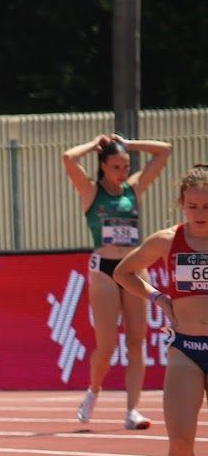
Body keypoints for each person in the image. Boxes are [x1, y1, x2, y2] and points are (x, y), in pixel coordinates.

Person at [113, 165, 208, 456]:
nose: (200, 212)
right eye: (192, 205)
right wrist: (157, 298)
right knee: (181, 441)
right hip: (186, 349)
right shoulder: (168, 241)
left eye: (206, 205)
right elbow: (123, 272)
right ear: (181, 204)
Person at [63, 133, 173, 428]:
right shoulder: (90, 191)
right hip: (104, 271)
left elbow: (165, 152)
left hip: (134, 268)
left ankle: (132, 411)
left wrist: (129, 144)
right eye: (116, 167)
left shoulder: (133, 188)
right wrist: (95, 143)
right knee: (108, 344)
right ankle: (94, 389)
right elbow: (68, 158)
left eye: (126, 166)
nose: (122, 173)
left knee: (137, 340)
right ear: (103, 166)